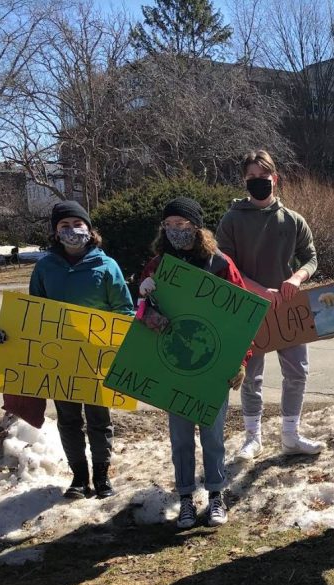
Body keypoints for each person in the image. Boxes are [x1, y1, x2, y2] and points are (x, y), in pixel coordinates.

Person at [0, 201, 134, 499]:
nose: (71, 231)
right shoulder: (44, 268)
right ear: (55, 233)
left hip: (95, 359)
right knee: (68, 420)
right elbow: (32, 315)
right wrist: (5, 334)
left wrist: (121, 335)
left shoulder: (107, 266)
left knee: (99, 420)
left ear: (89, 229)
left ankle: (103, 477)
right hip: (59, 362)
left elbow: (124, 310)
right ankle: (79, 478)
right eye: (63, 226)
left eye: (77, 224)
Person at [138, 197, 249, 529]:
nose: (175, 231)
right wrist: (145, 304)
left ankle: (216, 495)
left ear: (197, 227)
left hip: (213, 366)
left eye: (182, 225)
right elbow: (139, 314)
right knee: (181, 437)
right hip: (175, 366)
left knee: (213, 436)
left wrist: (241, 361)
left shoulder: (219, 265)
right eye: (169, 225)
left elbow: (243, 317)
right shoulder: (156, 266)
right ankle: (185, 498)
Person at [216, 149, 323, 461]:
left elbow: (311, 256)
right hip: (247, 307)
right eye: (251, 178)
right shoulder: (232, 220)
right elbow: (225, 263)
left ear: (275, 179)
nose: (258, 182)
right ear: (244, 181)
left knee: (298, 372)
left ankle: (291, 434)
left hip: (287, 306)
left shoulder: (292, 220)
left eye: (263, 177)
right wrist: (258, 289)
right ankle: (253, 438)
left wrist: (298, 278)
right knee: (250, 375)